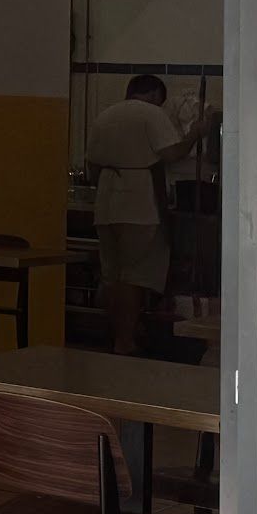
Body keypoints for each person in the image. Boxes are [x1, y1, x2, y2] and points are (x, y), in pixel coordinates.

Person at [86, 73, 218, 356]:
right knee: (134, 275)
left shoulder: (104, 116)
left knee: (112, 275)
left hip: (105, 203)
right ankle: (125, 341)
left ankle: (118, 336)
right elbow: (171, 154)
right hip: (139, 204)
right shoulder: (151, 114)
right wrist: (195, 133)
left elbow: (92, 168)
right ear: (156, 94)